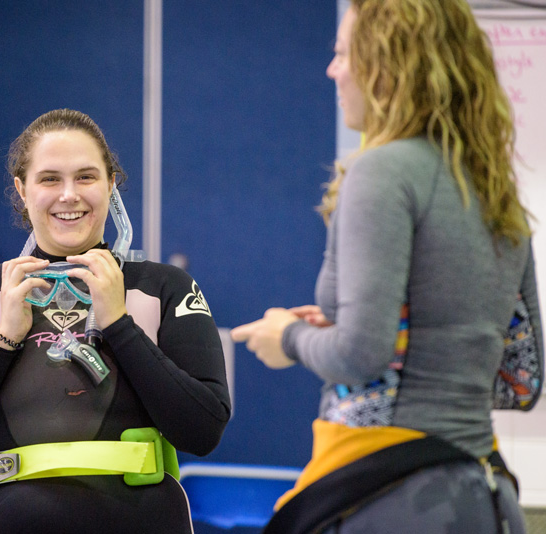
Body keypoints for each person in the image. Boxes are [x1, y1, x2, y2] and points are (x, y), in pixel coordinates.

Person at [232, 1, 542, 532]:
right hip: (482, 493)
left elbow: (361, 354)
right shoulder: (492, 185)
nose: (333, 70)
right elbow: (521, 378)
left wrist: (287, 337)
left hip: (393, 495)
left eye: (343, 53)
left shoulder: (381, 172)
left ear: (387, 65)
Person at [0, 108, 231, 533]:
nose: (69, 195)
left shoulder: (164, 287)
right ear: (23, 190)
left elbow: (202, 431)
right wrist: (3, 341)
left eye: (86, 177)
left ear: (111, 184)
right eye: (50, 179)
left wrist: (120, 325)